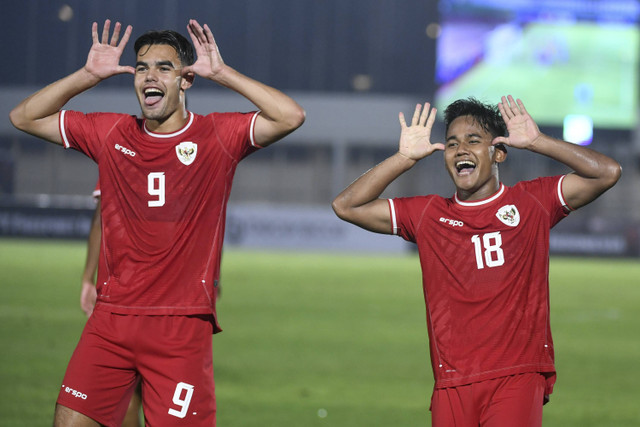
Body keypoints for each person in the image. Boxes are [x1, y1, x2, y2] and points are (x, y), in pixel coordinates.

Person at [10, 18, 305, 426]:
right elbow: (23, 117)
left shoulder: (217, 136)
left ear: (186, 79)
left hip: (179, 328)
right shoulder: (110, 132)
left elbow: (290, 116)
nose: (150, 76)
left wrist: (222, 72)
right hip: (111, 320)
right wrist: (86, 76)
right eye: (142, 67)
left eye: (164, 68)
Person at [332, 96, 620, 426]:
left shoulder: (532, 201)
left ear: (498, 152)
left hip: (516, 374)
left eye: (473, 140)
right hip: (451, 380)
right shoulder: (429, 214)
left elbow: (607, 173)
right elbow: (347, 206)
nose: (461, 150)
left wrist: (539, 142)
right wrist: (402, 158)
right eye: (452, 143)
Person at [80, 184, 142, 427]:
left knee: (123, 391)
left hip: (123, 292)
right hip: (176, 299)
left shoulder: (118, 149)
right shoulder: (193, 153)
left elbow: (102, 216)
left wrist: (88, 277)